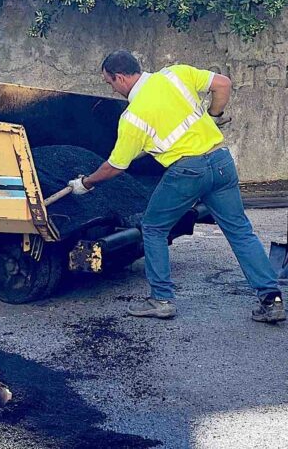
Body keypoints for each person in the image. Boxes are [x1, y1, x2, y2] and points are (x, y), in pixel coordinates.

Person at [68, 50, 284, 323]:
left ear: (120, 77)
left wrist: (85, 183)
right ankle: (272, 300)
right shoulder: (176, 73)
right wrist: (214, 114)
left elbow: (115, 166)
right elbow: (223, 84)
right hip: (221, 161)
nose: (112, 88)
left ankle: (161, 300)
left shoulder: (133, 116)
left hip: (187, 172)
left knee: (153, 227)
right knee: (240, 231)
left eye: (109, 82)